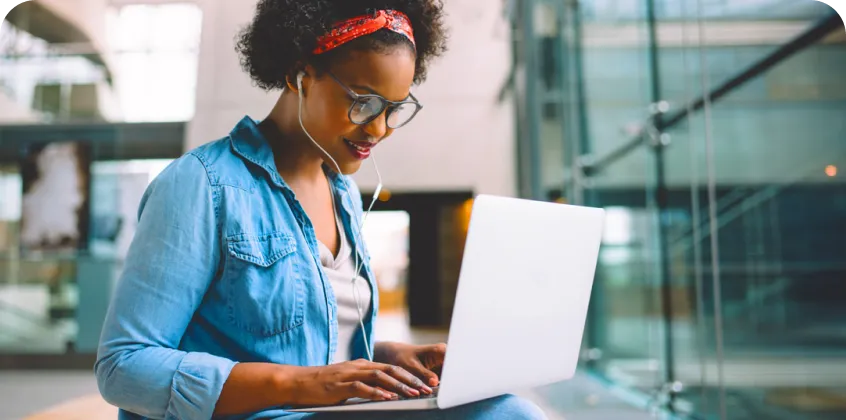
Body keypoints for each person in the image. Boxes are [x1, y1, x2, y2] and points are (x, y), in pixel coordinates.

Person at [95, 1, 547, 419]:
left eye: (394, 109)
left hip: (328, 413)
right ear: (300, 74)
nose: (379, 129)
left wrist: (384, 360)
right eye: (363, 102)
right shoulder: (200, 185)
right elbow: (124, 366)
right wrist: (299, 383)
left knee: (509, 413)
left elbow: (313, 343)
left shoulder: (343, 194)